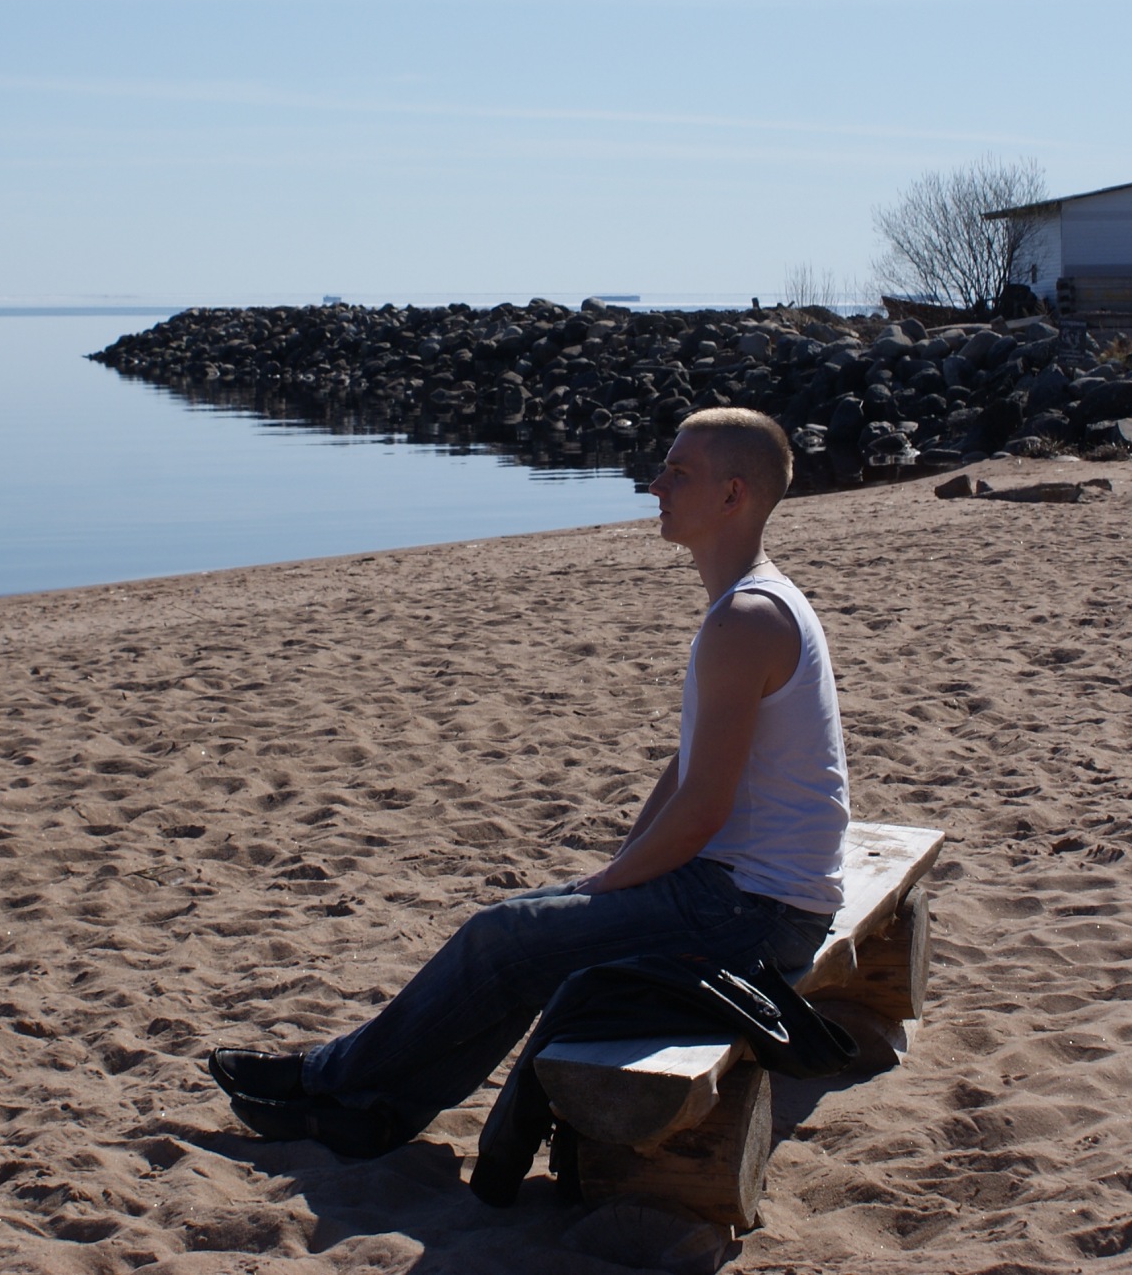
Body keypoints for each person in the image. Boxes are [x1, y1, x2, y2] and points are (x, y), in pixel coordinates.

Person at [208, 407, 851, 1156]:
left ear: (733, 494)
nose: (655, 485)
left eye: (678, 473)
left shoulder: (745, 619)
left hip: (756, 914)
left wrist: (613, 882)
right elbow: (688, 767)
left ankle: (328, 1084)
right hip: (747, 893)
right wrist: (621, 868)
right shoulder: (750, 603)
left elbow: (704, 808)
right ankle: (368, 1104)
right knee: (520, 921)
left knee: (501, 941)